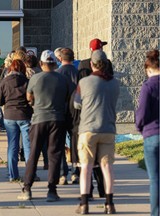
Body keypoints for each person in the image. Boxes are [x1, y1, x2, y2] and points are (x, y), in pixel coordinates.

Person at [17, 50, 70, 202]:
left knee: (33, 154)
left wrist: (35, 103)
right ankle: (52, 191)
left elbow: (28, 97)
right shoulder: (62, 79)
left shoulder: (35, 78)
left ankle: (27, 188)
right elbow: (67, 97)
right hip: (57, 120)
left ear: (41, 63)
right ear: (55, 63)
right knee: (54, 155)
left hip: (39, 119)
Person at [74, 50, 119, 214]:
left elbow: (76, 104)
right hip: (108, 128)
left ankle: (84, 203)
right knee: (107, 167)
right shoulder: (115, 83)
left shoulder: (84, 82)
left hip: (88, 129)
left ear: (92, 64)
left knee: (86, 167)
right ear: (106, 64)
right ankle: (109, 203)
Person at [77, 39, 107, 198]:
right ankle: (105, 193)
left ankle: (86, 195)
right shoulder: (108, 65)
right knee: (103, 161)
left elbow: (77, 101)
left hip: (87, 117)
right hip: (104, 117)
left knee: (87, 161)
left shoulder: (82, 65)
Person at [0, 59, 33, 182]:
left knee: (12, 146)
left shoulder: (4, 82)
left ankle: (13, 175)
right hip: (24, 115)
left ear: (10, 69)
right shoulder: (27, 81)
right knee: (27, 147)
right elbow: (32, 99)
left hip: (10, 116)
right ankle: (29, 174)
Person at [135, 50, 159, 216]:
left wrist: (139, 127)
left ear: (148, 69)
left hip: (152, 134)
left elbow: (142, 113)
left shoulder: (148, 86)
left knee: (155, 179)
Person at [55, 47, 78, 185]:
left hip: (60, 111)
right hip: (76, 112)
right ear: (73, 58)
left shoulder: (57, 74)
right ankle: (76, 172)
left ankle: (62, 173)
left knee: (60, 143)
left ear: (61, 59)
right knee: (75, 144)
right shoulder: (79, 73)